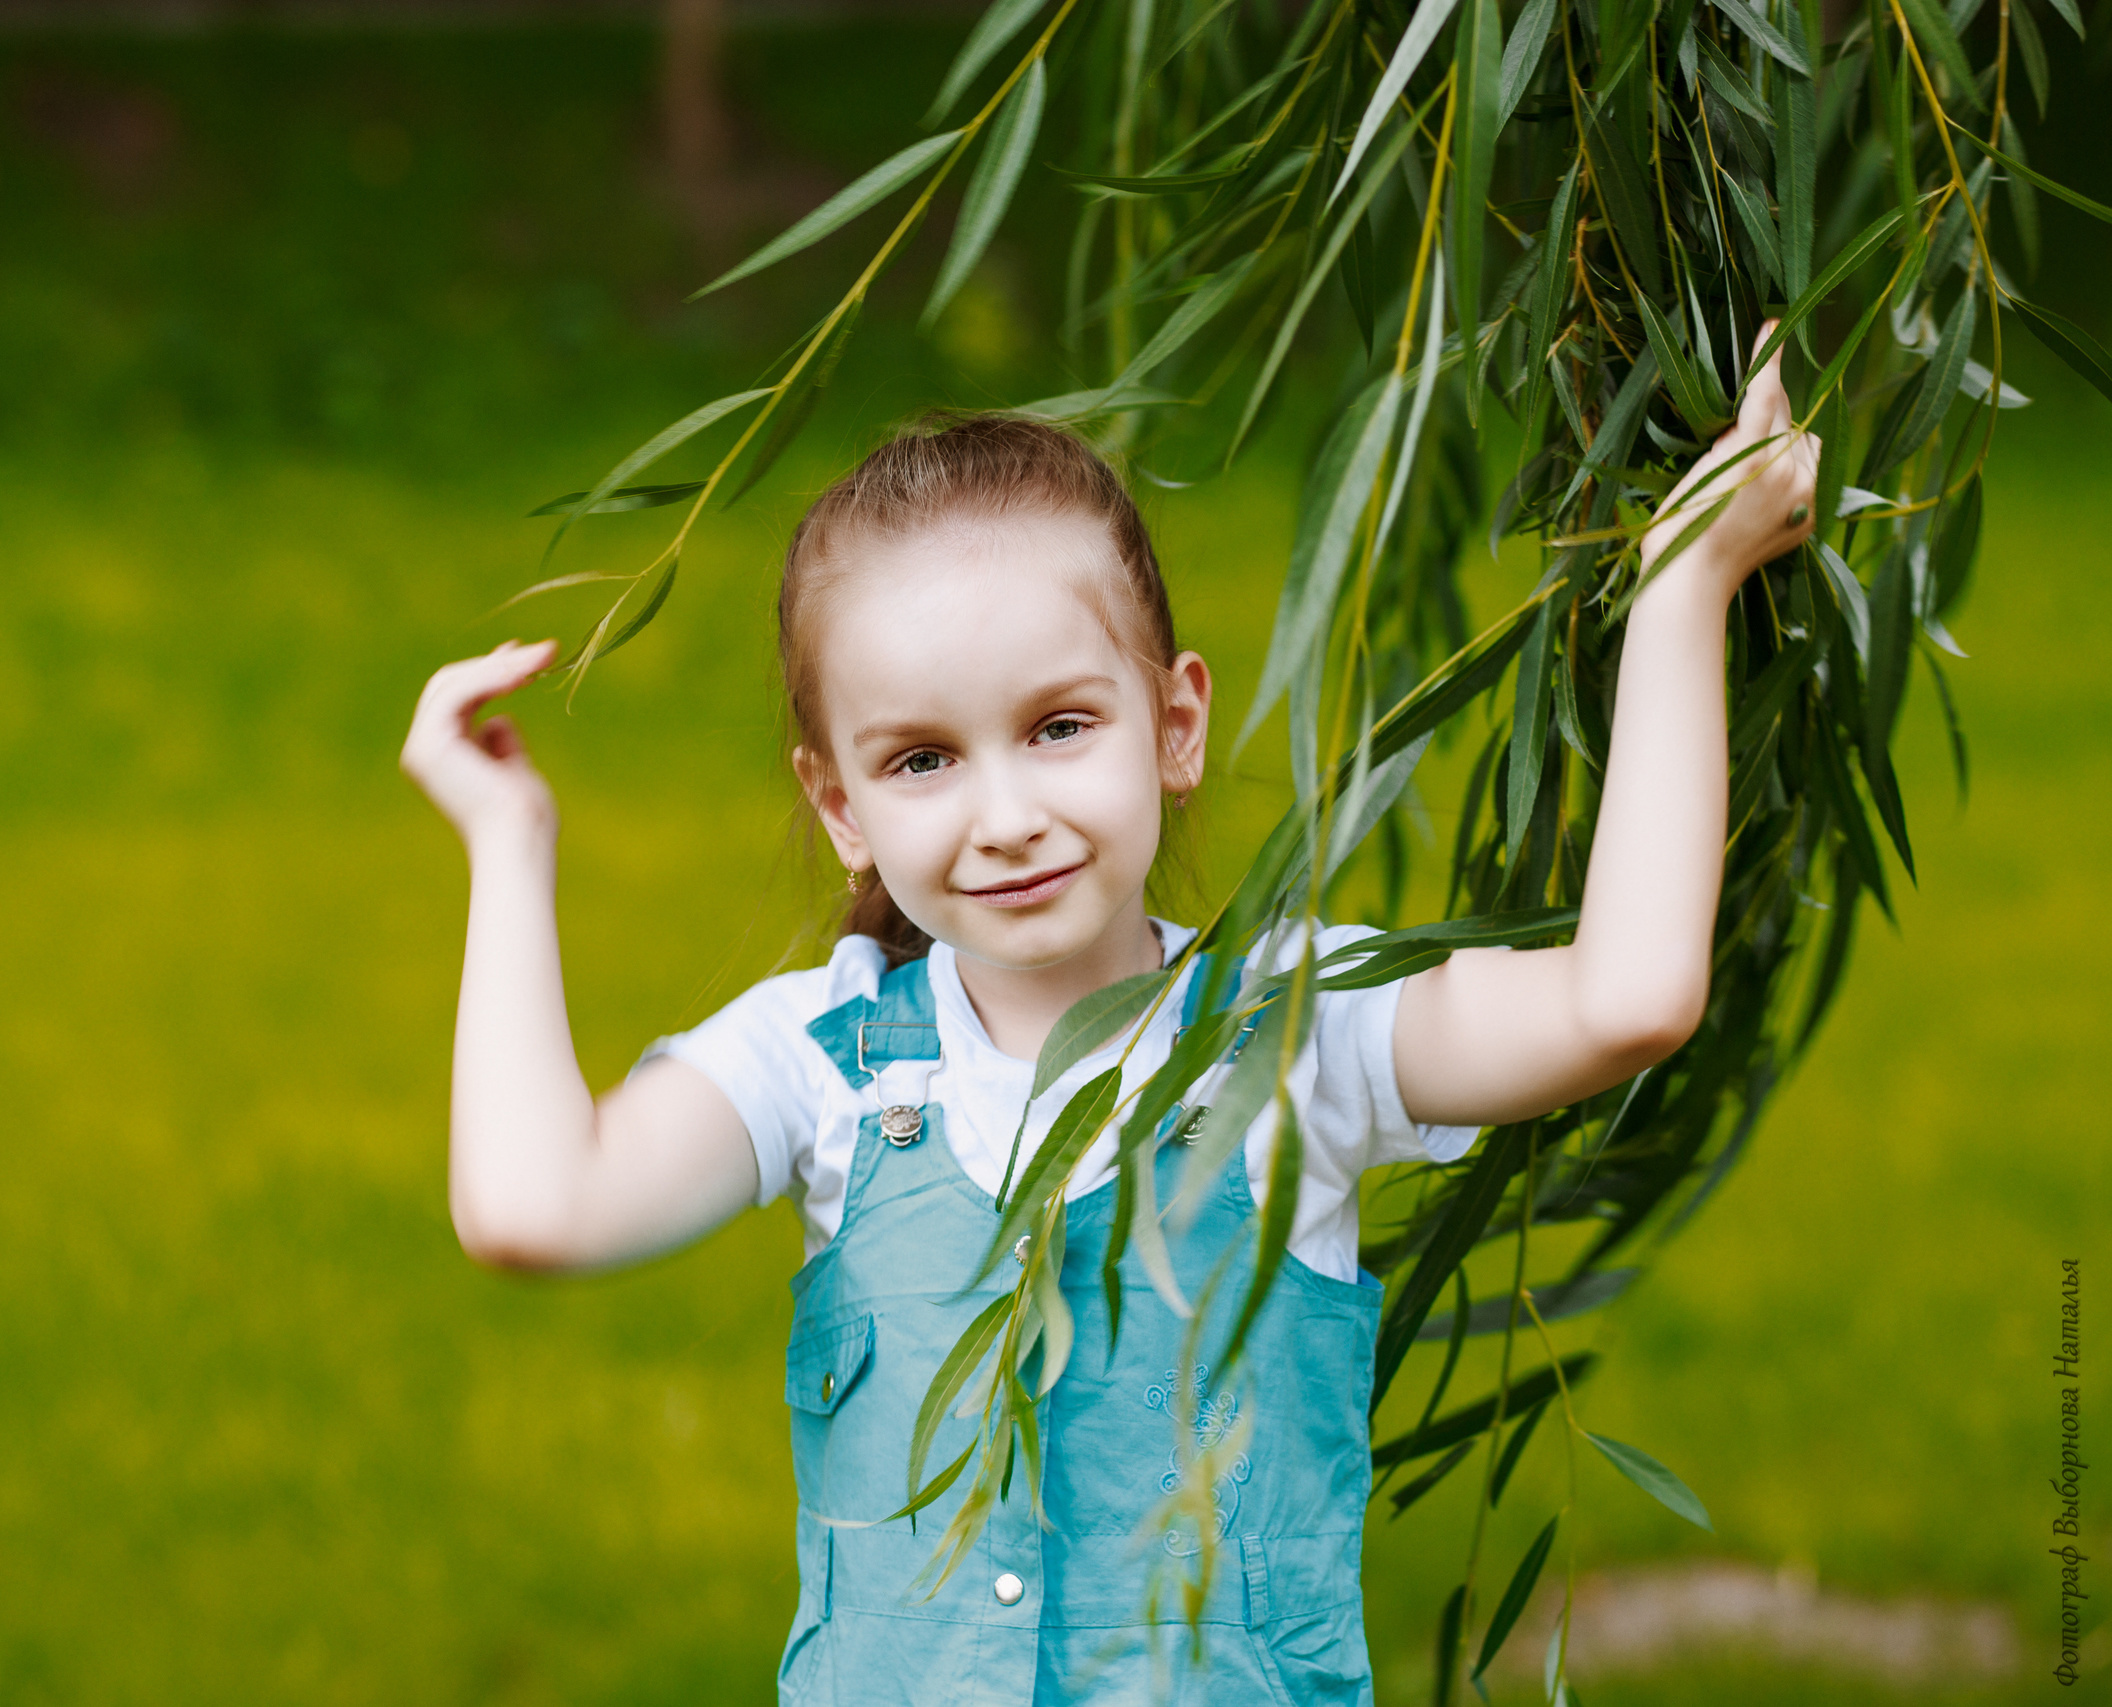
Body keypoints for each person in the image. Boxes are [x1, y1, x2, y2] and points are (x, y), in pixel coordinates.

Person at [403, 333, 1819, 1705]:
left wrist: (1687, 585)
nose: (1007, 816)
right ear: (841, 806)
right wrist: (509, 845)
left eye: (1060, 727)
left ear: (1176, 724)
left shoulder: (1298, 1033)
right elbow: (538, 1207)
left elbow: (1626, 999)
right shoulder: (820, 1063)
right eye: (921, 759)